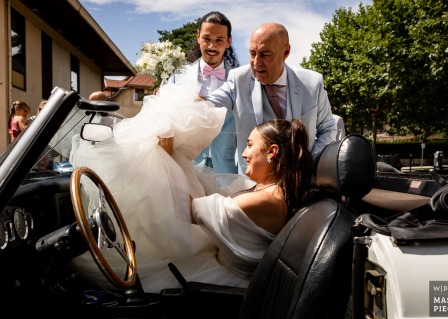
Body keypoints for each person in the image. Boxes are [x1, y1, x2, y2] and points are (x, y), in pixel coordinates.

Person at [69, 82, 312, 292]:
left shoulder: (264, 200)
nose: (245, 153)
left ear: (272, 152)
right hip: (225, 267)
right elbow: (213, 195)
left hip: (228, 285)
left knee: (133, 272)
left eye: (250, 145)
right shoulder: (271, 191)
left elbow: (188, 209)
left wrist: (164, 158)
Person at [207, 22, 337, 174]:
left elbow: (328, 128)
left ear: (286, 51)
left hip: (301, 185)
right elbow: (209, 103)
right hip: (252, 185)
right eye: (252, 53)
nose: (256, 63)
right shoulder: (238, 79)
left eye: (265, 54)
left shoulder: (312, 83)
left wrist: (307, 164)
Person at [169, 11, 239, 174]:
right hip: (187, 166)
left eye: (219, 40)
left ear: (229, 41)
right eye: (207, 38)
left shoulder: (240, 80)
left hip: (227, 169)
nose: (212, 46)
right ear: (198, 36)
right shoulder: (177, 78)